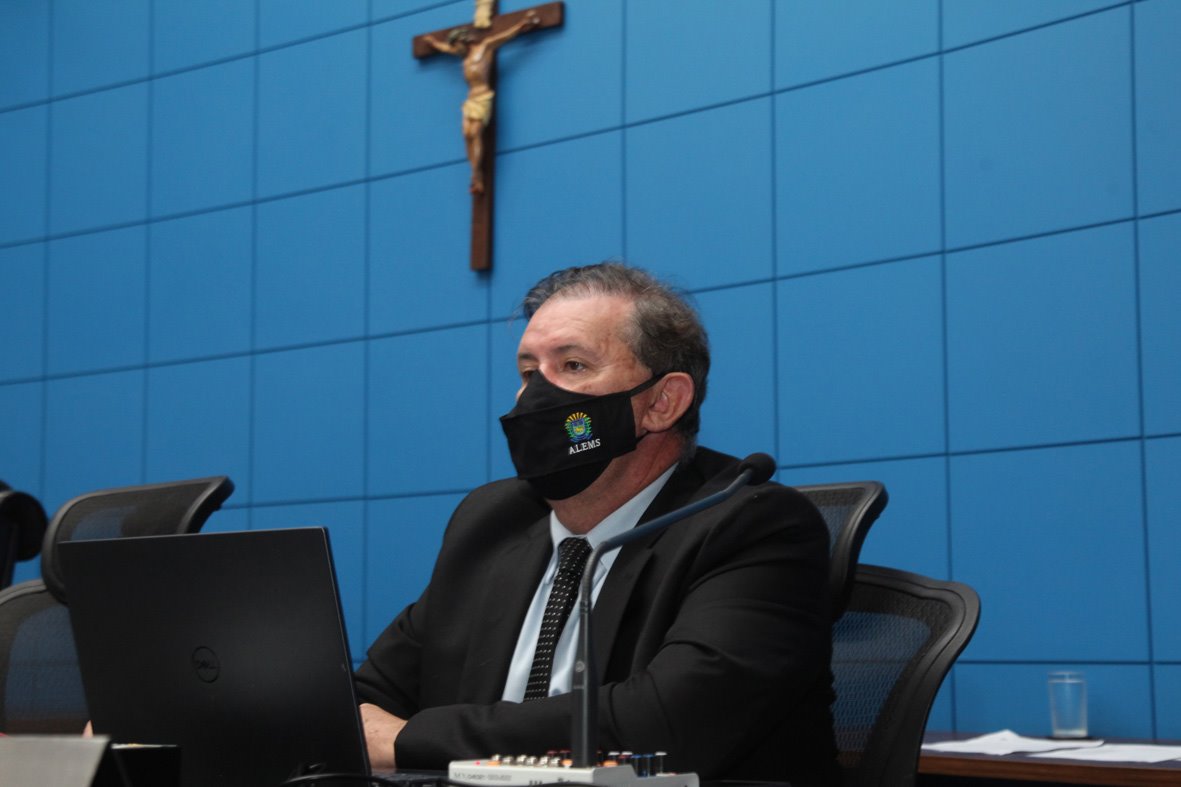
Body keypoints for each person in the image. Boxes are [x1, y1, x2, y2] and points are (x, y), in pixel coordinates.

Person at [356, 263, 839, 785]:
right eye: (528, 373)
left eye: (573, 365)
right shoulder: (491, 522)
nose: (534, 398)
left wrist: (411, 740)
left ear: (662, 403)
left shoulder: (752, 526)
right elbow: (361, 701)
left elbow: (665, 725)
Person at [421, 13, 541, 195]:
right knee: (466, 134)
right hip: (470, 100)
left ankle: (476, 175)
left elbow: (504, 36)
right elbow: (444, 48)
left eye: (457, 45)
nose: (455, 49)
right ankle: (475, 173)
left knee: (476, 132)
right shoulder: (463, 55)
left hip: (482, 96)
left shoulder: (484, 47)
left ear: (464, 40)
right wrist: (432, 42)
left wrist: (521, 25)